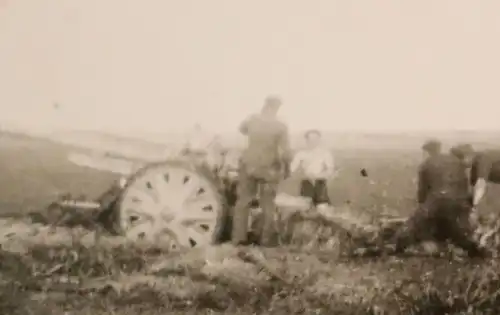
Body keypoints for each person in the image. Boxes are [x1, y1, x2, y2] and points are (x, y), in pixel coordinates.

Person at [392, 147, 486, 258]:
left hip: (436, 201)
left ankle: (396, 248)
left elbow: (422, 193)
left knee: (406, 233)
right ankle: (475, 249)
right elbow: (464, 189)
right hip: (458, 204)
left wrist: (422, 209)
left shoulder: (426, 164)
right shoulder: (459, 164)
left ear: (427, 152)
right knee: (457, 233)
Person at [231, 95, 292, 247]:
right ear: (277, 108)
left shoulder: (252, 119)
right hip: (269, 168)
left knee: (243, 202)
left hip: (248, 165)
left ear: (265, 105)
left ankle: (238, 239)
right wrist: (287, 168)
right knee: (268, 205)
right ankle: (265, 241)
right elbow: (285, 152)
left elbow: (241, 129)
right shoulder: (280, 126)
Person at [290, 129, 335, 212]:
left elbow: (330, 171)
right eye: (310, 139)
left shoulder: (325, 153)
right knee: (305, 210)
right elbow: (292, 169)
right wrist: (302, 175)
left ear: (319, 140)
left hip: (320, 183)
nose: (313, 142)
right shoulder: (301, 154)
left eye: (315, 139)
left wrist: (317, 176)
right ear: (306, 140)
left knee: (322, 209)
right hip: (306, 183)